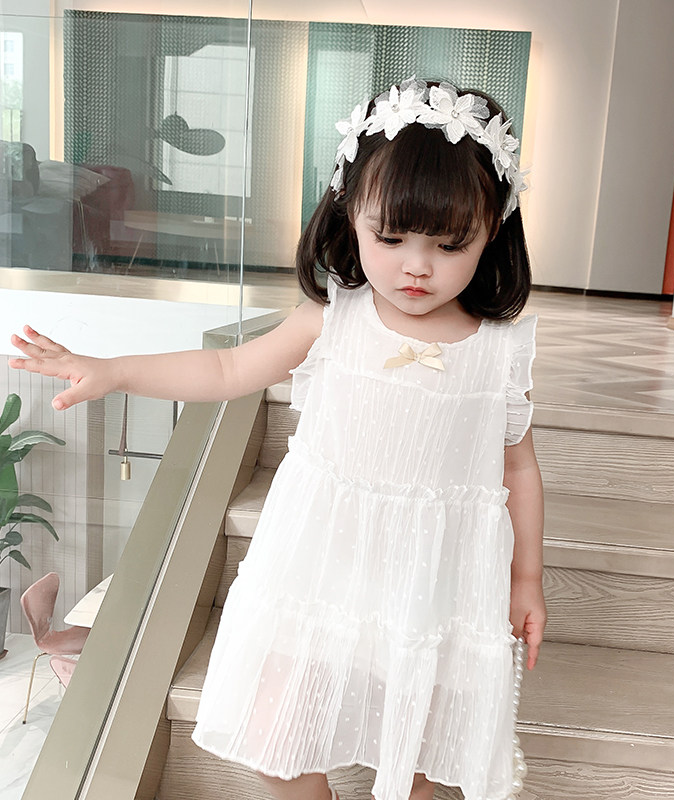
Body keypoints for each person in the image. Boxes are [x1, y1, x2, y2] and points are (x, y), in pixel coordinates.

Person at [9, 78, 546, 800]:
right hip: (324, 565)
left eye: (450, 244)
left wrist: (525, 579)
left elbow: (517, 466)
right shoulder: (332, 319)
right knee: (276, 729)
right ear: (349, 214)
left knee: (426, 750)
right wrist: (114, 370)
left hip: (437, 580)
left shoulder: (498, 352)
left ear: (493, 232)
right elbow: (226, 368)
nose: (417, 265)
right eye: (391, 238)